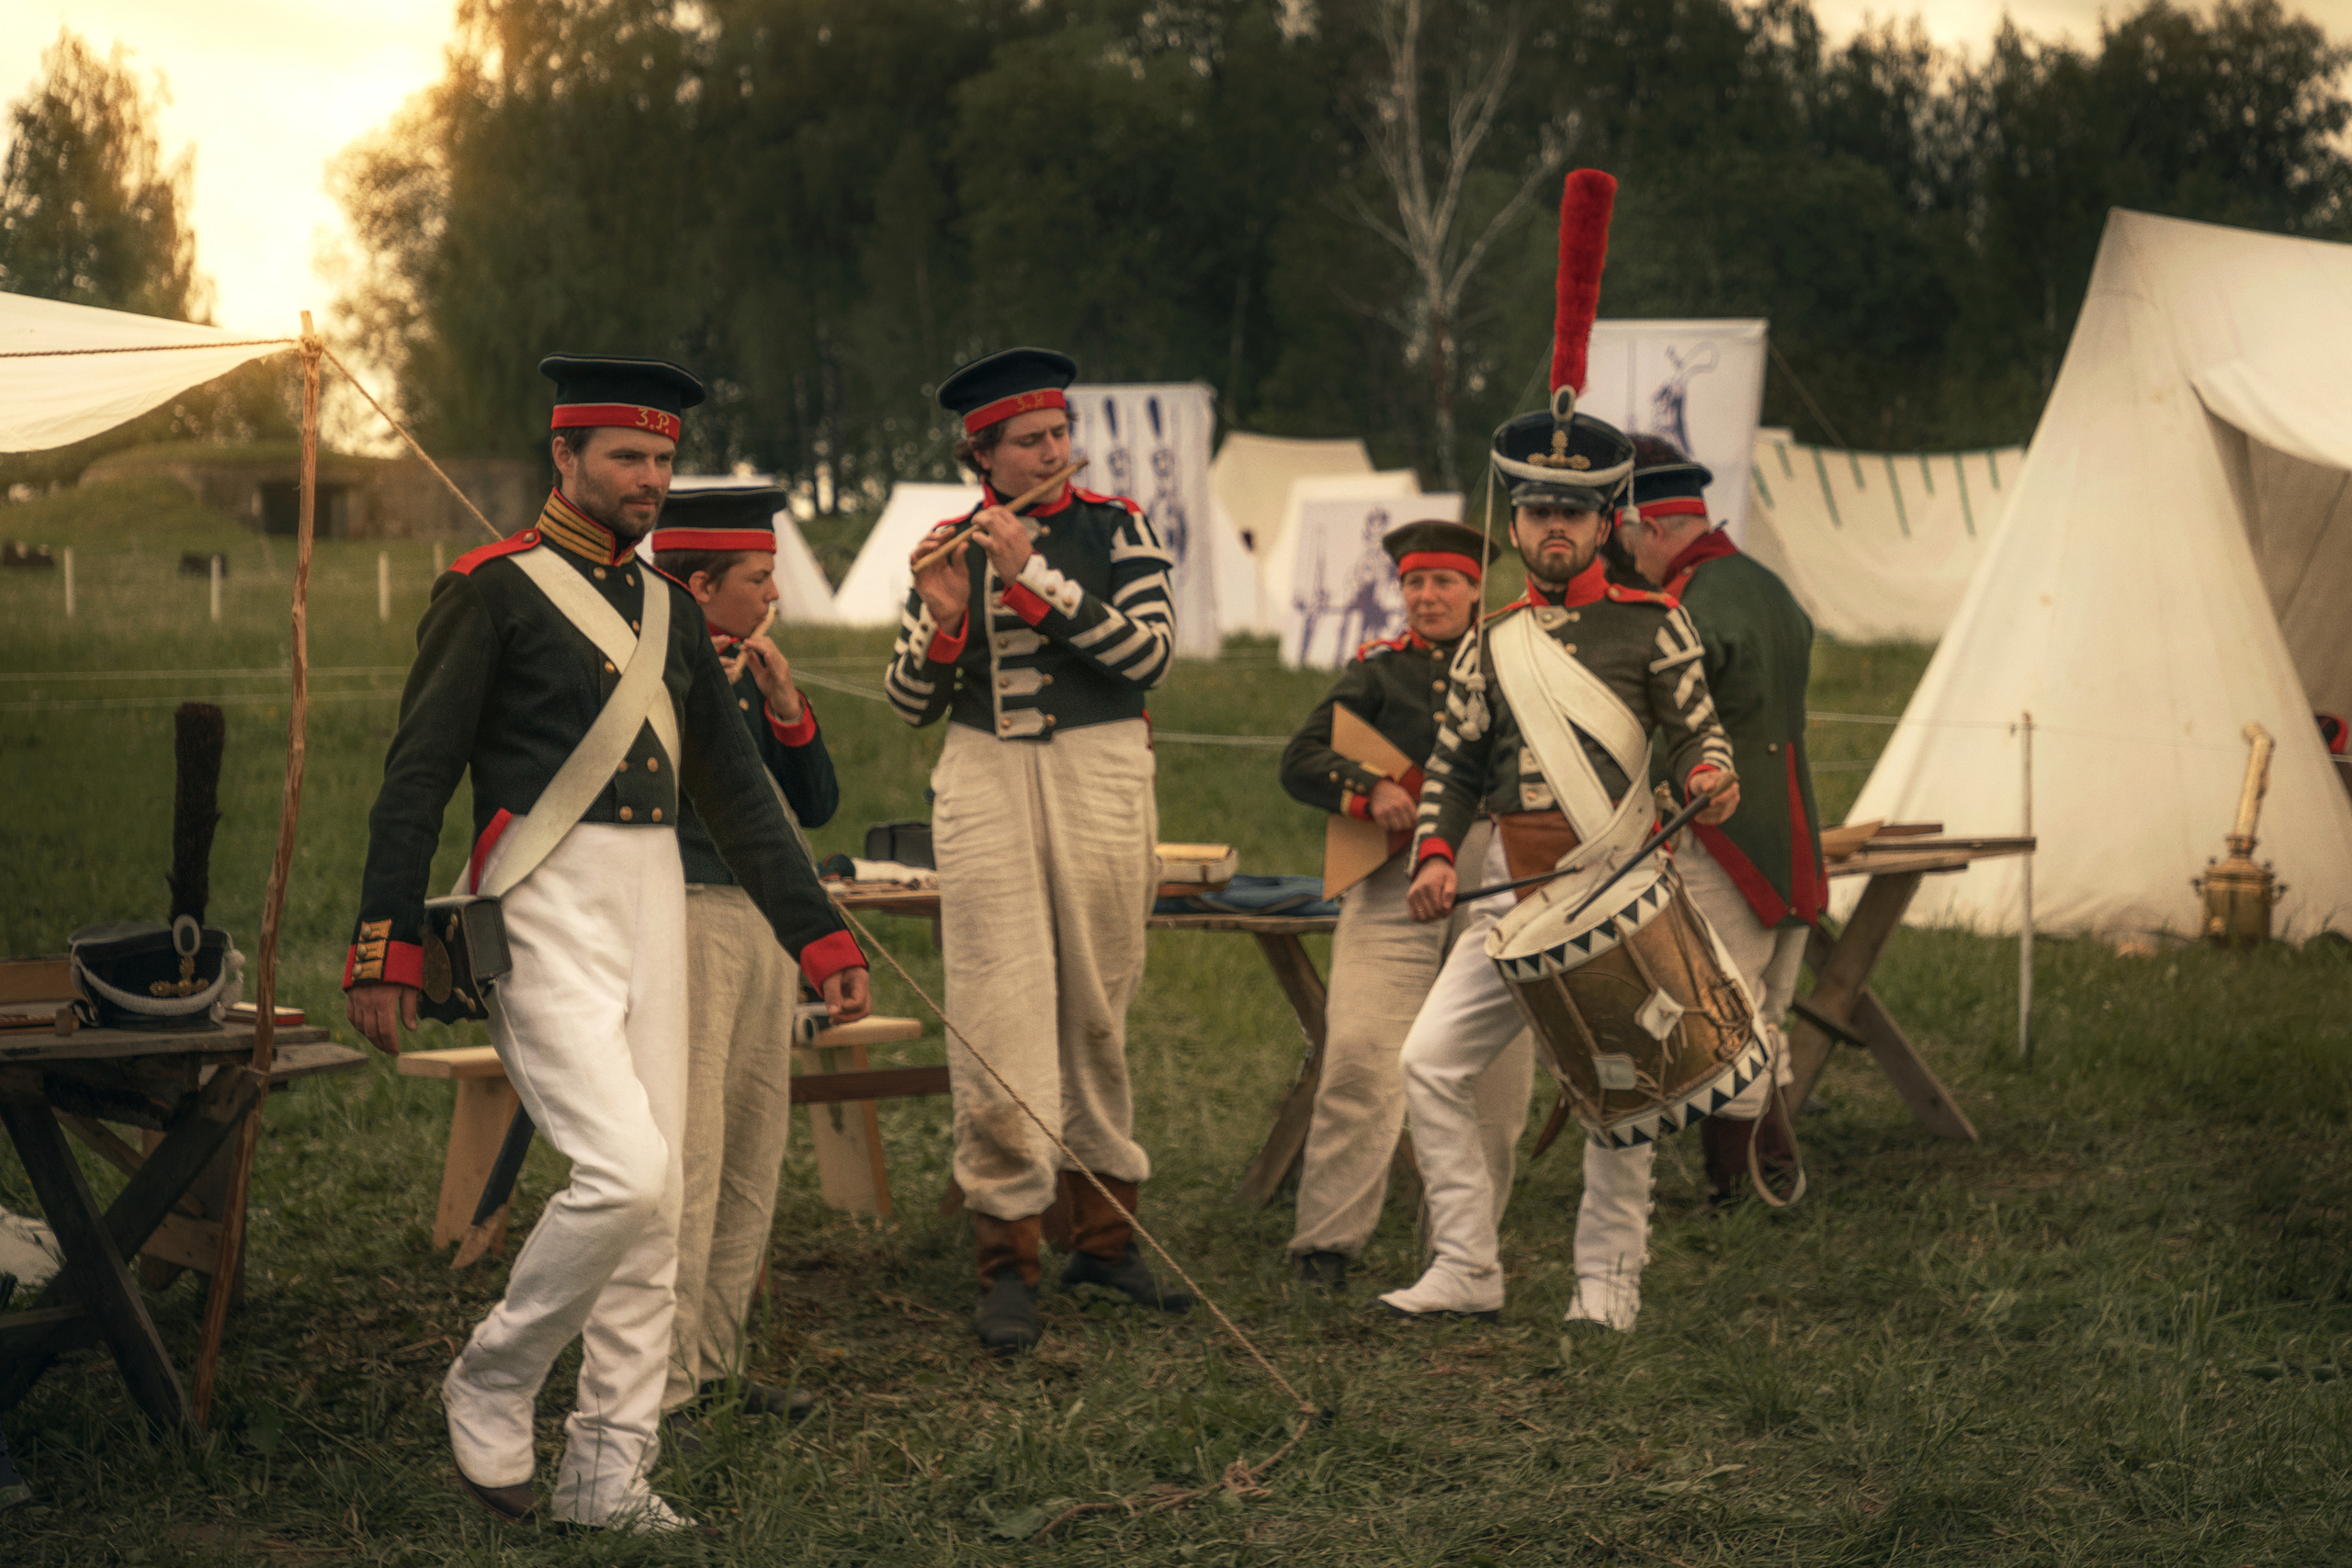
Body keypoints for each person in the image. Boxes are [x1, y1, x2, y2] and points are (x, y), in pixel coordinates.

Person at [344, 356, 870, 1533]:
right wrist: (385, 944)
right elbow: (416, 778)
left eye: (664, 459)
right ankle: (490, 1378)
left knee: (659, 1204)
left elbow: (739, 797)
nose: (649, 478)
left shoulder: (672, 612)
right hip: (538, 902)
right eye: (627, 456)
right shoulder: (487, 591)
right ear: (564, 458)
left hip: (654, 905)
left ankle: (608, 1466)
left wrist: (818, 938)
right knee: (624, 1173)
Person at [1378, 406, 1738, 1329]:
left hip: (1617, 888)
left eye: (1572, 515)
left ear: (1604, 524)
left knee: (1626, 1094)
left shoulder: (1654, 626)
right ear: (1514, 524)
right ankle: (1467, 1266)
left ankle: (1606, 1284)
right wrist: (1431, 854)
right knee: (1427, 1063)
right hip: (1514, 896)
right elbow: (1455, 768)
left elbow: (1698, 728)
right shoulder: (1488, 642)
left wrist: (1707, 771)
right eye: (1538, 513)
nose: (1553, 530)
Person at [881, 346, 1184, 1355]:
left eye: (1059, 433)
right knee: (996, 1003)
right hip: (983, 776)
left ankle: (1104, 1238)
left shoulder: (1116, 527)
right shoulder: (940, 545)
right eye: (1029, 440)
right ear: (986, 455)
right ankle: (1007, 1256)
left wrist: (1034, 578)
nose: (1053, 451)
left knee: (1098, 999)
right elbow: (906, 705)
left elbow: (1147, 654)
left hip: (1100, 769)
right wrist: (943, 619)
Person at [1276, 520, 1534, 1291]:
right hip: (1393, 878)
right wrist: (1371, 788)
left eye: (1443, 583)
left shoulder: (1519, 665)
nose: (1426, 597)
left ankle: (1465, 1242)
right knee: (1358, 1054)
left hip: (1496, 873)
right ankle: (1326, 1243)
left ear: (1474, 589)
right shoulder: (1379, 673)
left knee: (1495, 1072)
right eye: (1415, 584)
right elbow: (1302, 758)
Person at [648, 486, 838, 1444]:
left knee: (753, 1143)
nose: (773, 596)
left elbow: (818, 801)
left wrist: (785, 705)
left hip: (761, 919)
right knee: (692, 1151)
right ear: (698, 583)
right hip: (684, 915)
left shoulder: (755, 670)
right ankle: (660, 1382)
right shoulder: (649, 664)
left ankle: (714, 1361)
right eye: (760, 578)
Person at [1624, 439, 1822, 1204]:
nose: (1630, 552)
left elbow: (1671, 722)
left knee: (1724, 1011)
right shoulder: (1766, 586)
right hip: (1792, 827)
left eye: (1632, 536)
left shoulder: (1687, 608)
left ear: (1654, 529)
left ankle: (1737, 1181)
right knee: (1762, 1008)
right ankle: (1769, 1164)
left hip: (1724, 832)